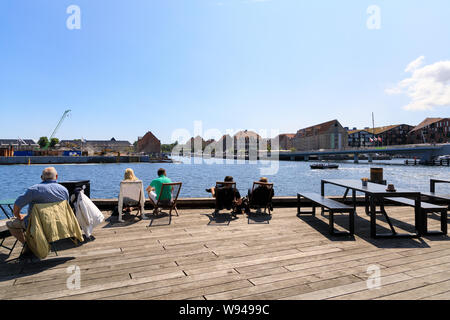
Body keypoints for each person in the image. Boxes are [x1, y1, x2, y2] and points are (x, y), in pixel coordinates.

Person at [7, 167, 69, 246]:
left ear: (42, 177)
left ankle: (27, 245)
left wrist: (18, 215)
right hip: (58, 223)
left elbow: (17, 204)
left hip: (36, 224)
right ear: (56, 176)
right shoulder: (64, 190)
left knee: (10, 224)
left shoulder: (34, 190)